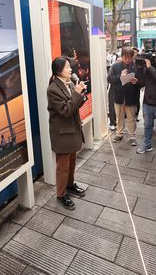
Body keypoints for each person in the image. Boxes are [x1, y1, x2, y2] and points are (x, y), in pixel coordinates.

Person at [47, 57, 87, 210]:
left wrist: (80, 94)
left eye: (70, 67)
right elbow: (65, 111)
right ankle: (61, 194)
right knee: (62, 166)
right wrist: (76, 94)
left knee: (71, 162)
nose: (71, 70)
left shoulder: (69, 83)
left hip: (72, 130)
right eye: (68, 67)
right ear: (58, 71)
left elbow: (75, 105)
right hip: (62, 133)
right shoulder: (53, 89)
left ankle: (70, 185)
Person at [107, 47, 142, 146]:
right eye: (125, 57)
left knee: (131, 118)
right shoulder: (115, 66)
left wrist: (136, 82)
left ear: (132, 57)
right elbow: (110, 79)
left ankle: (132, 136)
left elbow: (142, 81)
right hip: (118, 96)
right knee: (119, 117)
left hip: (131, 96)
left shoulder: (136, 67)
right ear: (121, 56)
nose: (127, 60)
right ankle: (119, 133)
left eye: (129, 58)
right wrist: (120, 76)